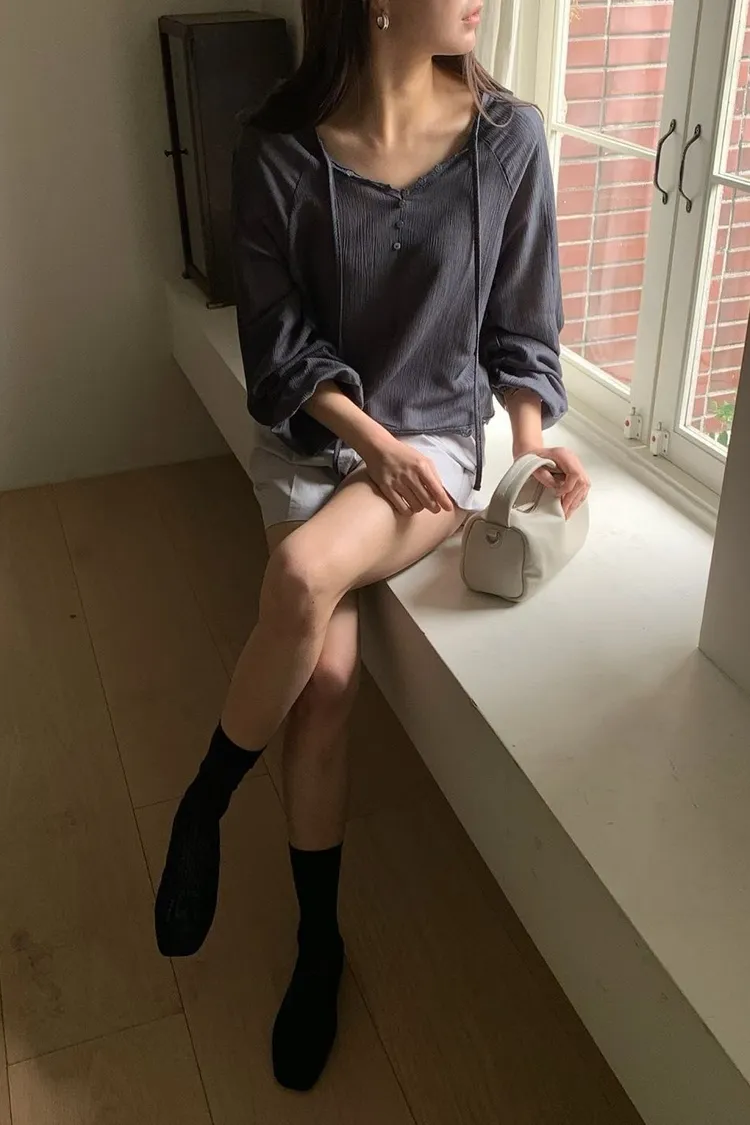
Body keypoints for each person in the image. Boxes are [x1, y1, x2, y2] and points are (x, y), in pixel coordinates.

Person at [154, 0, 590, 1093]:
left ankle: (205, 801)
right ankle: (320, 942)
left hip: (435, 447)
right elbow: (278, 346)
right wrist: (366, 441)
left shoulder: (507, 140)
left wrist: (530, 446)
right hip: (319, 438)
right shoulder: (276, 149)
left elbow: (521, 329)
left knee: (303, 571)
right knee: (327, 681)